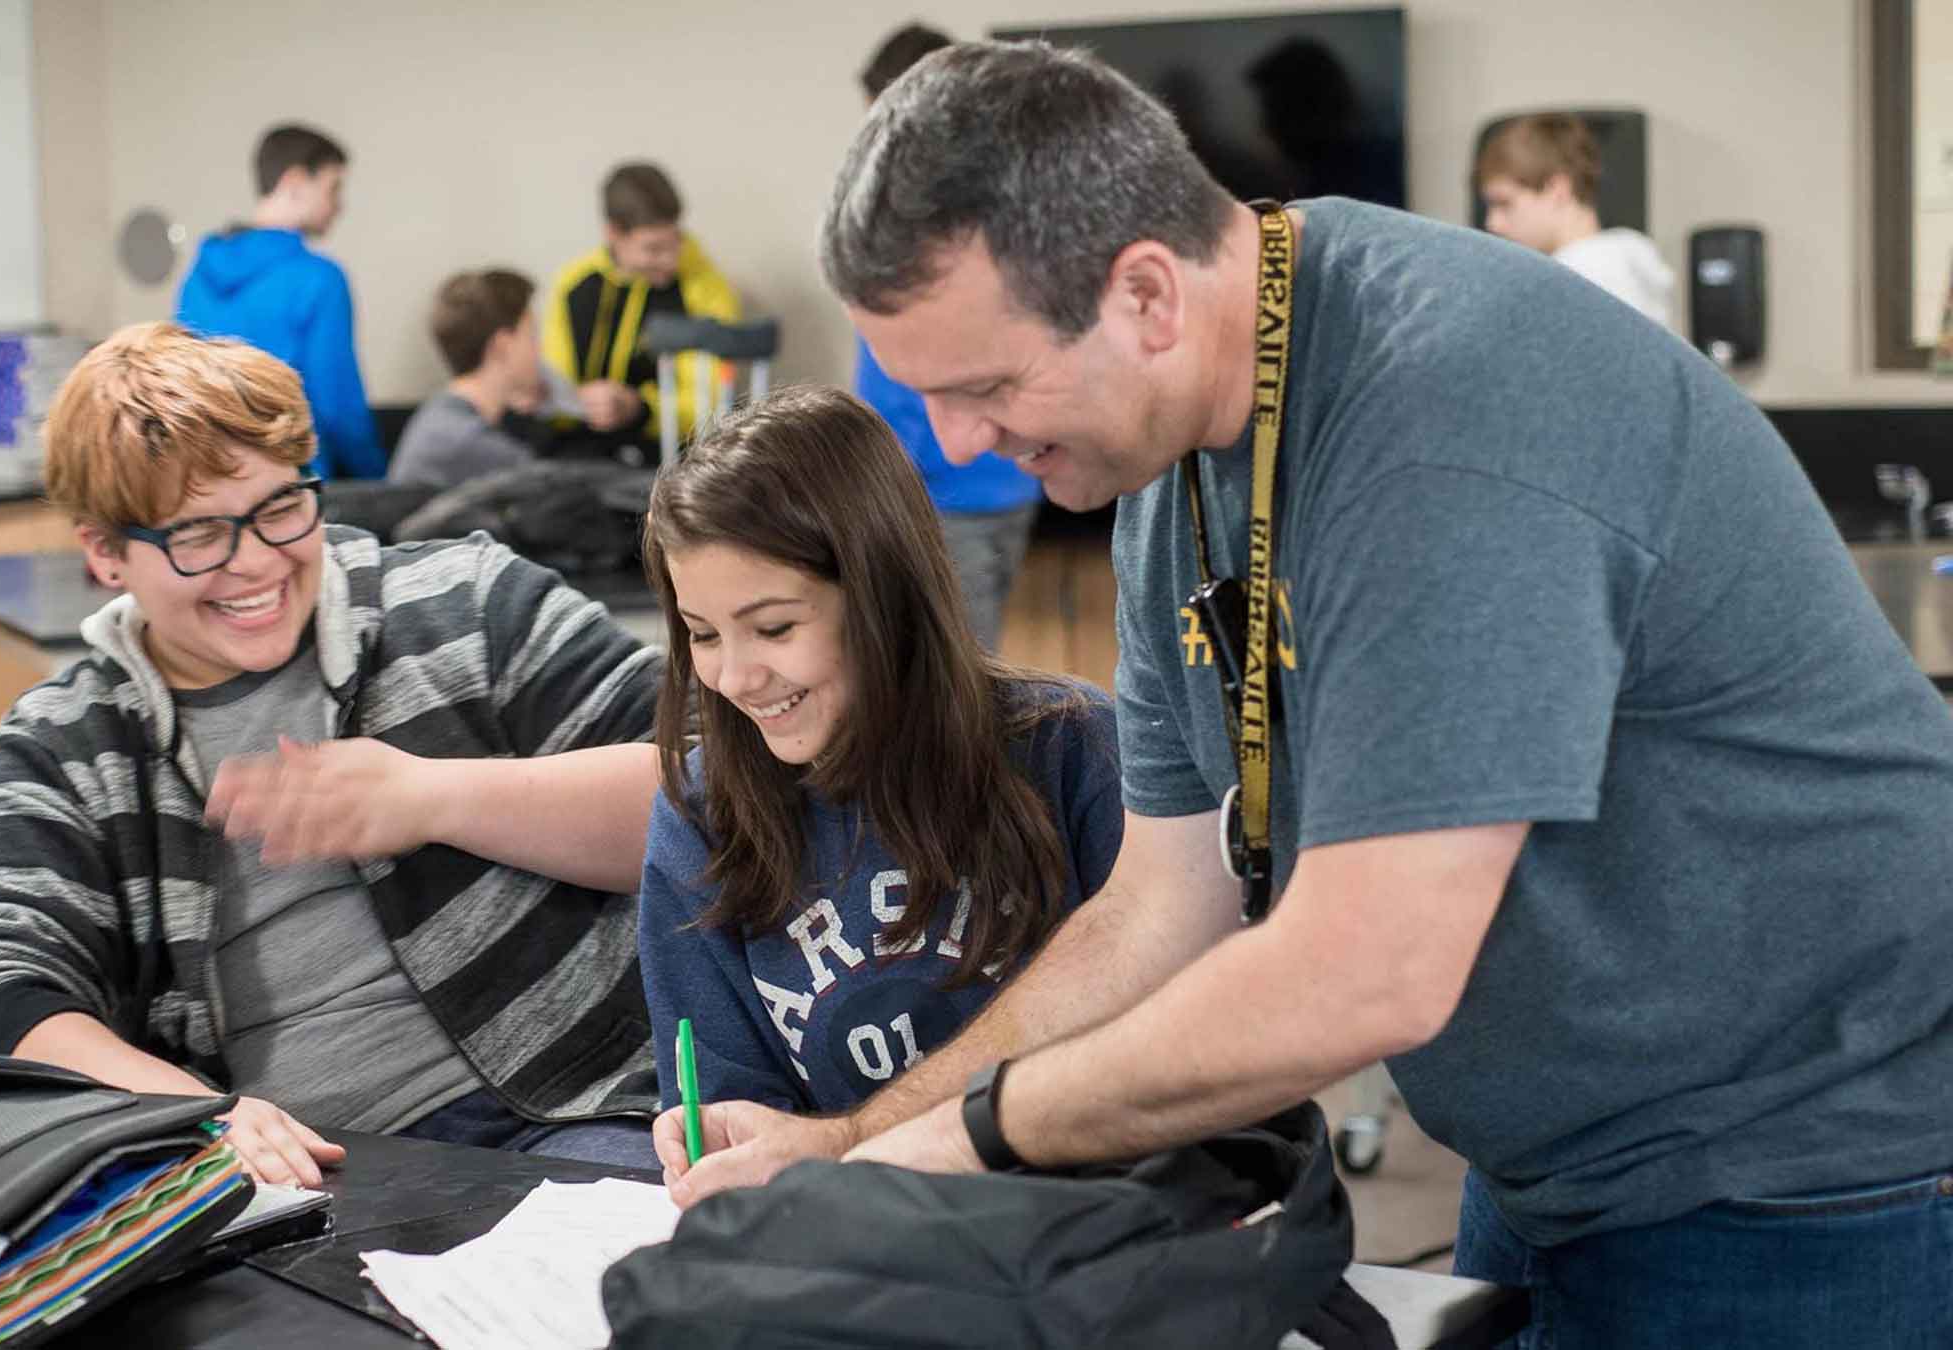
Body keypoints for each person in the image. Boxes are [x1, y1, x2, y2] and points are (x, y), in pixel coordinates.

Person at [661, 40, 1953, 1349]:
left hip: (1811, 1168)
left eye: (986, 387)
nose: (955, 447)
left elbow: (1365, 972)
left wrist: (974, 1139)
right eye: (929, 397)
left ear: (1148, 296)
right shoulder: (1160, 478)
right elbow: (1159, 909)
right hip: (1563, 1163)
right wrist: (856, 1139)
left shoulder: (1449, 409)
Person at [0, 322, 666, 1185]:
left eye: (279, 508)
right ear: (105, 554)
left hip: (578, 1108)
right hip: (296, 1174)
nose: (257, 564)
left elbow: (713, 797)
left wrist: (432, 798)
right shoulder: (70, 745)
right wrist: (193, 1116)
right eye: (197, 536)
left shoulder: (466, 603)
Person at [636, 385, 1120, 1120]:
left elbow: (1170, 1057)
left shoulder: (1072, 748)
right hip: (852, 1223)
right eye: (703, 635)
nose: (733, 678)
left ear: (883, 597)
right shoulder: (699, 816)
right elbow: (732, 1109)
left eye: (773, 629)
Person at [851, 25, 1042, 650]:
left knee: (968, 674)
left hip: (955, 487)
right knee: (968, 659)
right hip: (983, 480)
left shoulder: (925, 217)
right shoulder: (993, 203)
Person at [175, 123, 384, 478]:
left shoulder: (196, 278)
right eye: (333, 188)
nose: (339, 205)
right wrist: (381, 480)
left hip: (210, 487)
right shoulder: (319, 278)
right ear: (295, 182)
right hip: (292, 488)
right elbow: (338, 407)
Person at [542, 162, 740, 444]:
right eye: (653, 248)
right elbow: (555, 387)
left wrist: (640, 409)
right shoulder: (573, 284)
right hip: (580, 451)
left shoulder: (706, 289)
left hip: (668, 457)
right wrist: (576, 402)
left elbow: (710, 406)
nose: (670, 260)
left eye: (674, 242)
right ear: (613, 234)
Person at [1476, 112, 1675, 329]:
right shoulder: (1625, 263)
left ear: (1557, 190)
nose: (1492, 223)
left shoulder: (1584, 278)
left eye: (1503, 203)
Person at [388, 268, 545, 492]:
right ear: (503, 345)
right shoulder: (475, 444)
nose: (539, 349)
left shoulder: (440, 415)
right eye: (531, 336)